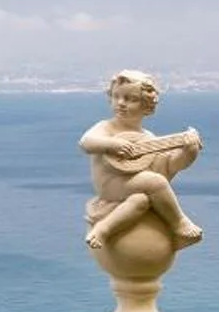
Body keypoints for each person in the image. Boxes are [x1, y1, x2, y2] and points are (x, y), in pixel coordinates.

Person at [80, 69, 202, 251]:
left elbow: (169, 166)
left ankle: (103, 229)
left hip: (132, 187)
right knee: (154, 182)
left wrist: (190, 151)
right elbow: (85, 142)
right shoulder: (106, 128)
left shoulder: (147, 138)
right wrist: (111, 144)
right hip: (110, 185)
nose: (121, 103)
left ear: (146, 106)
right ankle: (179, 223)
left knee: (141, 201)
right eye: (116, 97)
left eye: (131, 99)